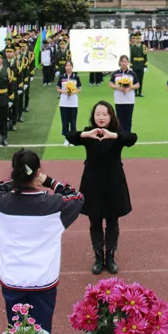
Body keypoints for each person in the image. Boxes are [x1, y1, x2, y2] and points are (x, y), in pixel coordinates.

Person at [0, 149, 83, 333]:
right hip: (43, 280)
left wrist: (16, 180)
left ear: (14, 172)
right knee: (42, 331)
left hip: (12, 278)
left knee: (17, 330)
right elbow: (77, 196)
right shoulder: (56, 205)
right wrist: (49, 181)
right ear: (37, 172)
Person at [66, 101, 137, 275]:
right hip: (92, 183)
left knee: (112, 222)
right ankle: (98, 257)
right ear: (93, 116)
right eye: (98, 114)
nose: (101, 117)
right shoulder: (89, 133)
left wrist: (113, 136)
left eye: (105, 114)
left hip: (113, 183)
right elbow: (69, 136)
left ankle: (110, 256)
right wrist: (86, 134)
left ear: (111, 116)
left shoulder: (116, 134)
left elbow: (132, 138)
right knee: (95, 222)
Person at [109, 55, 139, 133]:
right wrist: (120, 88)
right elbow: (111, 84)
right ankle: (120, 135)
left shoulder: (132, 73)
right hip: (119, 100)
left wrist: (129, 88)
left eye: (125, 61)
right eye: (122, 61)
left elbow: (137, 85)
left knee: (128, 119)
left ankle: (128, 135)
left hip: (129, 100)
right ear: (119, 62)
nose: (123, 63)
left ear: (128, 63)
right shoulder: (115, 73)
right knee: (119, 119)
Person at [56, 60, 81, 146]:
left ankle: (73, 140)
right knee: (65, 121)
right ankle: (66, 139)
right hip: (63, 103)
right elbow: (58, 88)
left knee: (73, 121)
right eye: (67, 66)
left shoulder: (76, 77)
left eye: (70, 65)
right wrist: (64, 92)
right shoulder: (62, 77)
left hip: (73, 103)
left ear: (72, 67)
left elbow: (79, 89)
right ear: (65, 67)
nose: (68, 67)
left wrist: (73, 92)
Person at [129, 33, 148, 97]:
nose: (138, 40)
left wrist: (145, 66)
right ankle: (135, 92)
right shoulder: (132, 47)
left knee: (140, 79)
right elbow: (131, 57)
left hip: (141, 65)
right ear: (134, 39)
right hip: (134, 65)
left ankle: (140, 92)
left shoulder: (144, 47)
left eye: (139, 38)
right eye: (136, 38)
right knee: (135, 79)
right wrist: (131, 66)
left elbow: (145, 57)